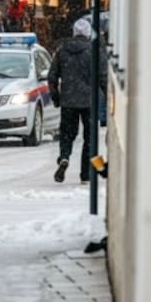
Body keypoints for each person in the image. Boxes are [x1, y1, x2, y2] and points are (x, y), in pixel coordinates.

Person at [48, 18, 107, 184]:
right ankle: (85, 174)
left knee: (67, 134)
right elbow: (103, 77)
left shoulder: (62, 50)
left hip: (68, 100)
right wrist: (109, 97)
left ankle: (64, 157)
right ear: (89, 34)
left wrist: (56, 97)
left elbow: (52, 76)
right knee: (90, 138)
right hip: (89, 101)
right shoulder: (94, 51)